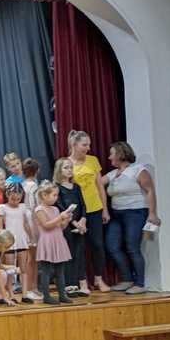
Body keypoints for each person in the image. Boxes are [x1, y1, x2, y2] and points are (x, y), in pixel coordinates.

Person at [103, 142, 161, 294]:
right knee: (112, 246)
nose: (109, 157)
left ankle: (140, 284)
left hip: (135, 213)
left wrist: (152, 213)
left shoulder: (138, 170)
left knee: (132, 247)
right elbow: (96, 183)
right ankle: (127, 279)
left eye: (112, 154)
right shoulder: (112, 174)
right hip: (116, 214)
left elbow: (150, 191)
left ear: (121, 154)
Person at [68, 130, 111, 292]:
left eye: (89, 144)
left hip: (94, 209)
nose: (88, 148)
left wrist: (105, 209)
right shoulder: (66, 162)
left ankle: (98, 279)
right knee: (79, 248)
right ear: (74, 145)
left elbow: (100, 186)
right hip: (77, 213)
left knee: (98, 245)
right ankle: (82, 282)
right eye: (84, 145)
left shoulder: (93, 160)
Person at [53, 158, 89, 296]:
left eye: (70, 167)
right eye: (66, 168)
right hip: (66, 226)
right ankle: (69, 284)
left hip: (80, 225)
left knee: (80, 254)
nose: (69, 170)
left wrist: (83, 220)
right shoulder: (57, 188)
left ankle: (81, 284)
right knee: (69, 254)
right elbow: (61, 207)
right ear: (59, 170)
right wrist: (74, 222)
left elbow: (83, 205)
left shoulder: (76, 187)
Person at [35, 181, 73, 305]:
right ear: (44, 195)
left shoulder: (56, 209)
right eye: (54, 195)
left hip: (58, 240)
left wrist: (66, 220)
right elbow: (46, 225)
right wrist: (60, 217)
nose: (56, 197)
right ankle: (46, 296)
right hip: (47, 241)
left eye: (57, 195)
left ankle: (62, 295)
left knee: (60, 270)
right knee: (46, 270)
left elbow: (60, 227)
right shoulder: (39, 209)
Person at [0, 183, 35, 303]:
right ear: (7, 194)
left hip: (22, 240)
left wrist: (31, 237)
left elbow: (26, 224)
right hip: (9, 242)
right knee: (10, 270)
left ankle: (25, 294)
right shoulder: (2, 207)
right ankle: (11, 294)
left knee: (23, 269)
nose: (15, 201)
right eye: (13, 198)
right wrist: (1, 239)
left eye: (18, 199)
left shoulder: (23, 207)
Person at [22, 158, 42, 299]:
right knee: (31, 258)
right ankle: (29, 288)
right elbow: (34, 206)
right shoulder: (34, 186)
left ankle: (33, 287)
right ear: (37, 171)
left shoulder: (23, 184)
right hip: (31, 220)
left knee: (33, 258)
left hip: (26, 218)